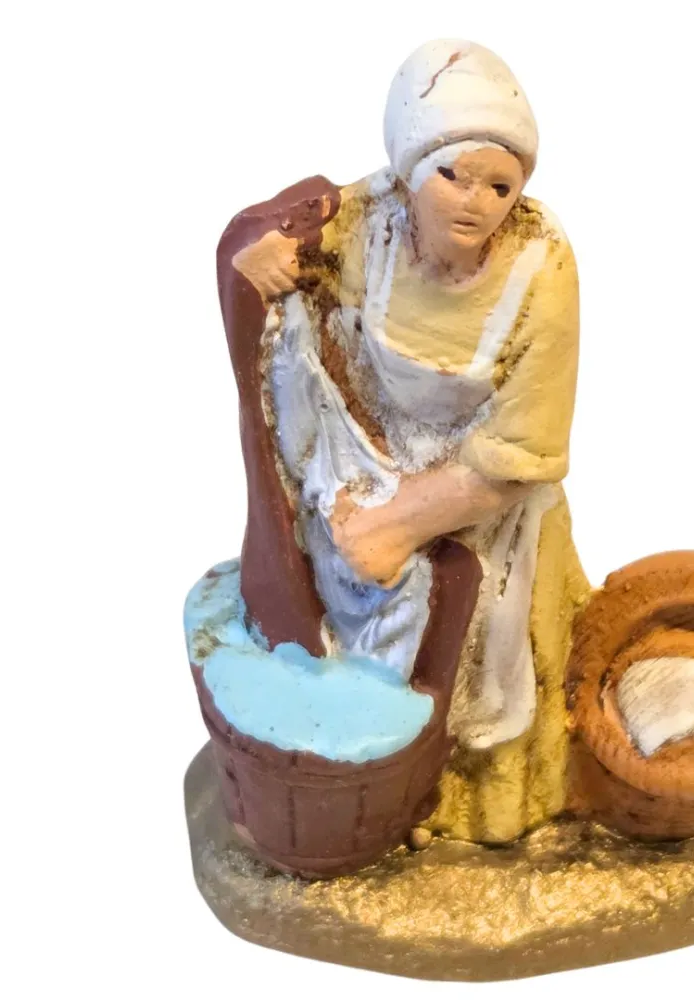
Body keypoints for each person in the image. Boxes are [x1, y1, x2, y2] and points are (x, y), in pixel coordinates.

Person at [231, 39, 589, 843]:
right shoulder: (373, 220)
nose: (476, 203)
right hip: (370, 454)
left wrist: (396, 523)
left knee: (488, 650)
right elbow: (287, 237)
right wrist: (268, 253)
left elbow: (521, 451)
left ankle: (464, 806)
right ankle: (358, 768)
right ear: (408, 172)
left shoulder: (543, 269)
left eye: (500, 185)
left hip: (484, 503)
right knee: (340, 583)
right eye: (452, 174)